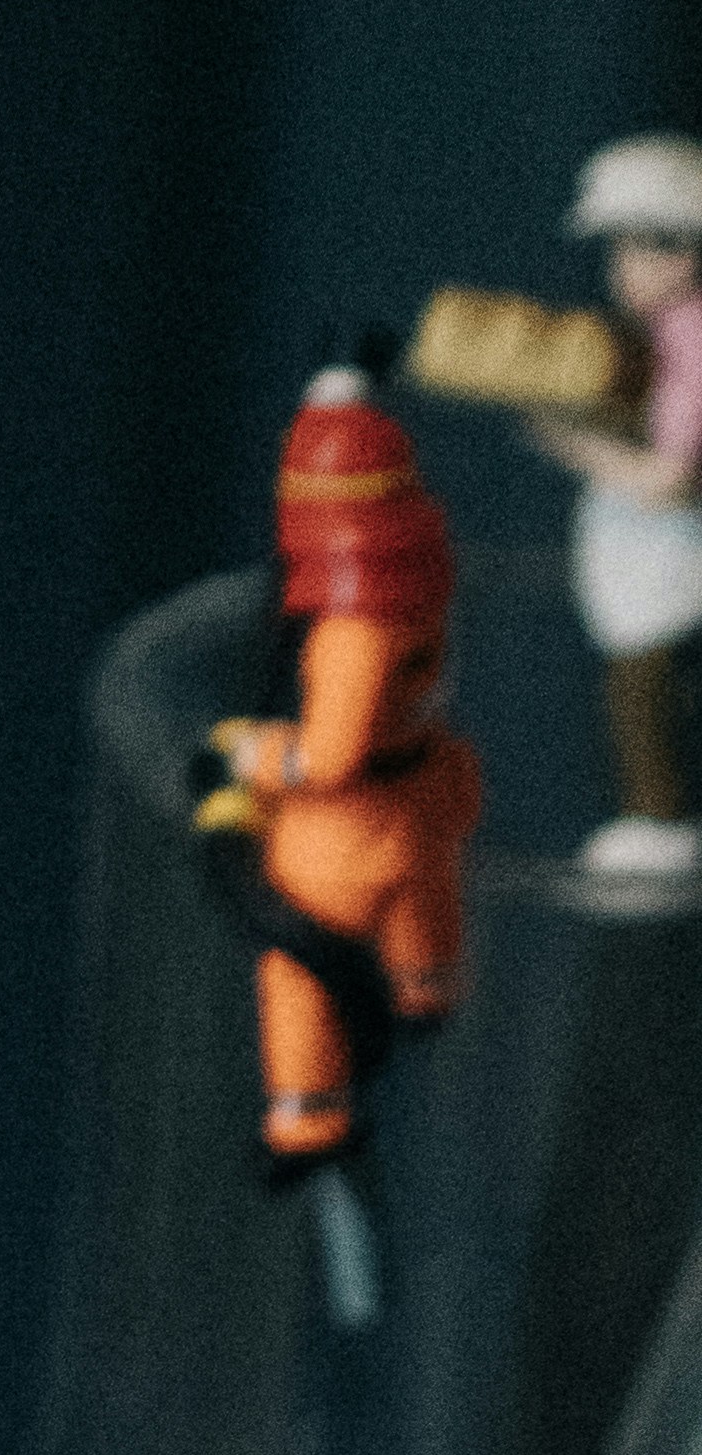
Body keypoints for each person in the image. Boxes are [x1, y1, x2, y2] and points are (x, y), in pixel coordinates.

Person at [199, 362, 480, 1177]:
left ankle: (308, 1124)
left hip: (348, 831)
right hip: (428, 793)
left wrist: (250, 755)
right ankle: (426, 989)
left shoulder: (353, 630)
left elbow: (328, 758)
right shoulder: (423, 593)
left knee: (297, 976)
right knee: (423, 914)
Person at [527, 135, 702, 882]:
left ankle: (662, 821)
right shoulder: (665, 334)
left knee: (646, 692)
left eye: (637, 249)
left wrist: (579, 449)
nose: (620, 270)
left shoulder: (693, 339)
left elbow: (673, 479)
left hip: (675, 555)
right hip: (653, 555)